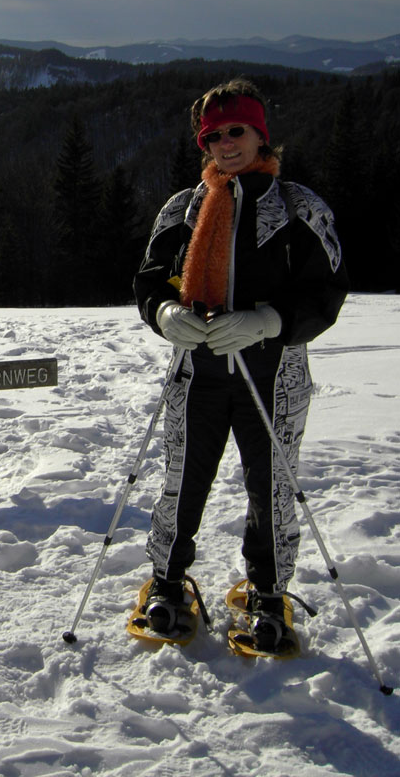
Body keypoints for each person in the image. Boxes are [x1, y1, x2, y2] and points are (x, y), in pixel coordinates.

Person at [133, 78, 349, 650]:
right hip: (195, 374)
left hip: (273, 374)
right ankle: (167, 581)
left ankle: (268, 591)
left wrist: (269, 321)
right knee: (182, 482)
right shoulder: (183, 207)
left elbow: (327, 290)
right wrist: (163, 312)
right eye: (213, 135)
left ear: (260, 135)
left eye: (237, 131)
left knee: (273, 486)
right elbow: (150, 279)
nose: (225, 144)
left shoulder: (300, 208)